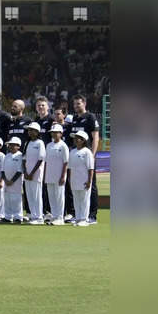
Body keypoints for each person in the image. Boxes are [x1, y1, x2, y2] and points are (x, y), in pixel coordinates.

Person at [69, 95, 101, 223]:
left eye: (79, 104)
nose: (76, 106)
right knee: (77, 184)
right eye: (75, 104)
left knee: (91, 185)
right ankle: (79, 214)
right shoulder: (75, 119)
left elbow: (96, 137)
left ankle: (92, 215)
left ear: (84, 103)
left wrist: (92, 155)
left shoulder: (90, 117)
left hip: (87, 156)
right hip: (77, 156)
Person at [45, 124, 70, 226]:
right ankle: (54, 216)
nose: (54, 134)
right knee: (51, 196)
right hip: (49, 175)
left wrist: (63, 176)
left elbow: (66, 162)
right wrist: (45, 175)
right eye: (52, 132)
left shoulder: (63, 146)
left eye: (56, 133)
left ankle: (60, 217)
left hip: (59, 175)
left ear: (61, 134)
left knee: (59, 196)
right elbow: (46, 161)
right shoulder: (49, 145)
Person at [68, 130, 95, 226]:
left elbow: (90, 168)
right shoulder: (72, 152)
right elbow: (70, 168)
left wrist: (89, 181)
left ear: (83, 140)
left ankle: (84, 219)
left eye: (77, 138)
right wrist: (70, 180)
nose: (75, 140)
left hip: (84, 180)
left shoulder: (87, 152)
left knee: (84, 200)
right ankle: (78, 218)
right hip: (75, 180)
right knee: (76, 199)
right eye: (75, 138)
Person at [23, 122, 46, 224]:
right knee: (29, 195)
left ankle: (39, 217)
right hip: (27, 174)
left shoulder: (40, 143)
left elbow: (40, 159)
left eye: (32, 130)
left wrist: (32, 172)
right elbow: (24, 159)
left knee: (36, 195)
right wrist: (26, 172)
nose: (30, 132)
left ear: (37, 132)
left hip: (36, 174)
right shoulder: (27, 143)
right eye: (29, 130)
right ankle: (33, 216)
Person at [1, 138, 24, 223]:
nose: (10, 146)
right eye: (10, 145)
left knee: (16, 199)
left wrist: (12, 180)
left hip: (16, 182)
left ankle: (18, 217)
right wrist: (6, 180)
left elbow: (19, 170)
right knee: (7, 199)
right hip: (6, 181)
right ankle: (8, 217)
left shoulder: (20, 155)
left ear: (18, 146)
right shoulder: (7, 156)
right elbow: (2, 170)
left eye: (13, 145)